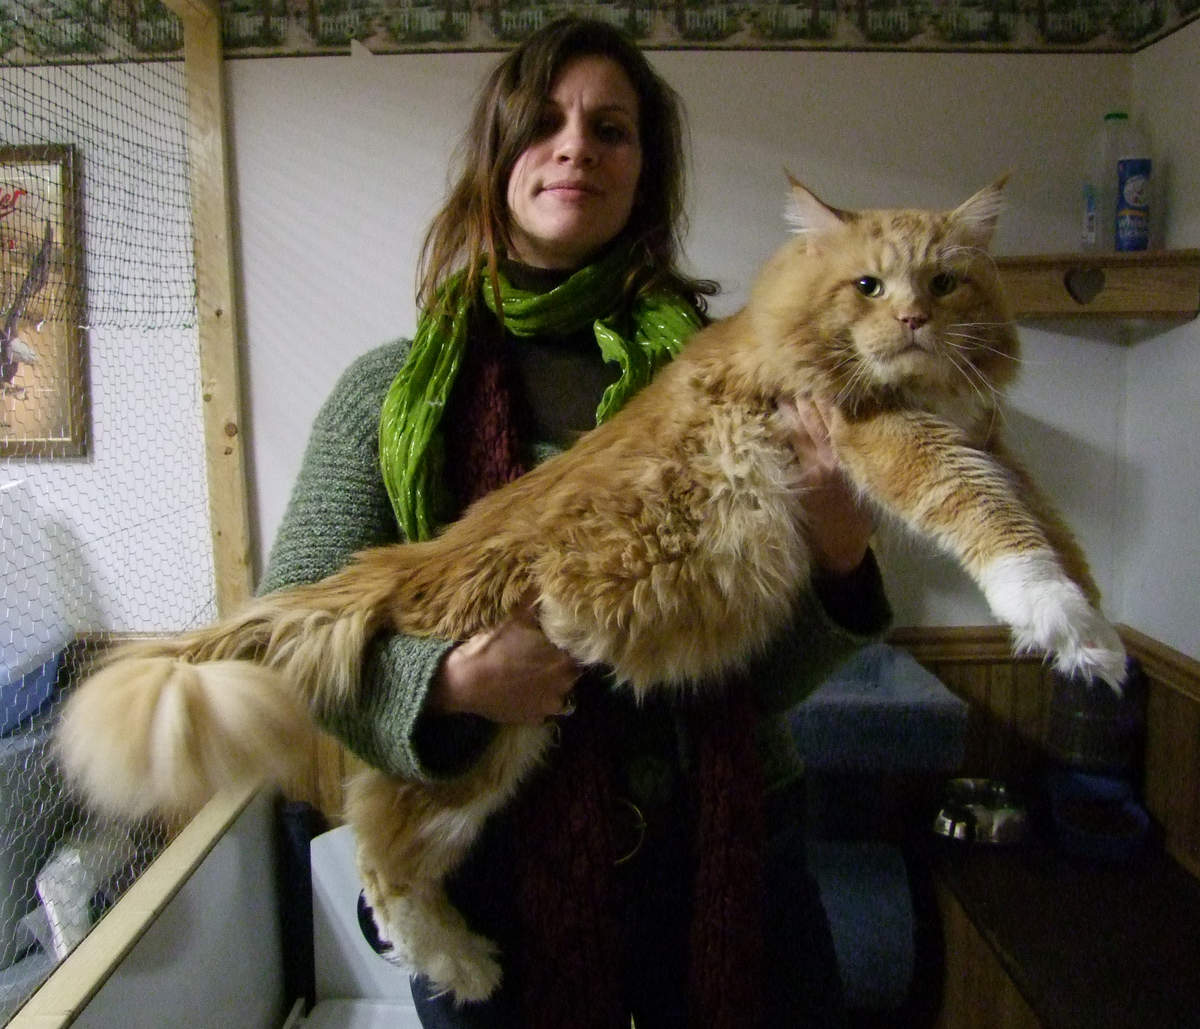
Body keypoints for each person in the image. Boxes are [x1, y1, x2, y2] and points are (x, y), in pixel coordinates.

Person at [260, 17, 891, 1029]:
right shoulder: (388, 397)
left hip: (730, 852)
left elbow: (757, 682)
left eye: (612, 128)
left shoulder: (737, 376)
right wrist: (450, 685)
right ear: (498, 159)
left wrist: (841, 558)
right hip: (496, 865)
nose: (576, 147)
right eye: (544, 123)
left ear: (646, 172)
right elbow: (293, 638)